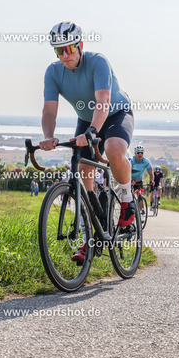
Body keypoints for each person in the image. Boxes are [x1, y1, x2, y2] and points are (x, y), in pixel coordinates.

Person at [39, 21, 137, 263]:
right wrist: (48, 136)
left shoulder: (98, 62)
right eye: (59, 50)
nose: (65, 55)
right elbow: (49, 110)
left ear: (80, 45)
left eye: (69, 48)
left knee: (114, 148)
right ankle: (89, 239)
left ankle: (127, 200)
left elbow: (103, 100)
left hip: (115, 113)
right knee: (83, 171)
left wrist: (93, 131)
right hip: (86, 119)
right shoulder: (53, 72)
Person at [129, 145, 154, 214]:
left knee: (140, 196)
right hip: (130, 181)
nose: (140, 154)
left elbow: (151, 173)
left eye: (141, 153)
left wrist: (152, 180)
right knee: (130, 198)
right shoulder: (131, 160)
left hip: (139, 181)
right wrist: (130, 180)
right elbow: (126, 171)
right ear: (135, 153)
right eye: (138, 153)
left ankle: (141, 211)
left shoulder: (146, 161)